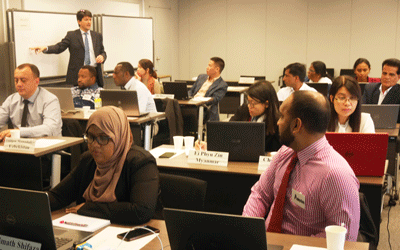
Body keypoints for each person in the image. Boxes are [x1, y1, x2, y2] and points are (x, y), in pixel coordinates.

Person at [243, 91, 360, 241]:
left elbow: (343, 237)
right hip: (267, 242)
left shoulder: (336, 174)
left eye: (283, 116)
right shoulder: (286, 152)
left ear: (296, 125)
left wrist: (289, 245)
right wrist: (248, 230)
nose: (278, 122)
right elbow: (260, 194)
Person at [48, 106, 159, 224]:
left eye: (103, 138)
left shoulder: (141, 163)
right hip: (89, 230)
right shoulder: (88, 161)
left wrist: (88, 208)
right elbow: (58, 196)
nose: (95, 145)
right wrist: (30, 204)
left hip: (128, 233)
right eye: (91, 137)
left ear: (119, 137)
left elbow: (141, 211)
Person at [30, 10, 106, 87]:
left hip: (94, 74)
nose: (89, 22)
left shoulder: (97, 36)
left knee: (97, 98)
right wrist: (46, 48)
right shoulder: (72, 35)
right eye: (86, 20)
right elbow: (59, 47)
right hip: (79, 75)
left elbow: (102, 51)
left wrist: (102, 56)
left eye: (90, 19)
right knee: (79, 98)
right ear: (79, 21)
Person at [0, 63, 62, 141]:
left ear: (36, 81)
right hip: (18, 147)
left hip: (46, 149)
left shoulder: (50, 100)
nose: (19, 84)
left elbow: (49, 129)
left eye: (23, 80)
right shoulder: (11, 99)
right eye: (16, 80)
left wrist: (20, 131)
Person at [229, 81, 281, 152]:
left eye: (253, 103)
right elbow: (229, 130)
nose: (249, 106)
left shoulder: (278, 122)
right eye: (248, 102)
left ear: (266, 104)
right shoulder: (243, 111)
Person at [188, 57, 228, 121]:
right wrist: (188, 97)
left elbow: (214, 99)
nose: (207, 67)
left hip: (204, 109)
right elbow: (191, 90)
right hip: (191, 105)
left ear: (217, 69)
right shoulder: (201, 77)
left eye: (209, 66)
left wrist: (200, 101)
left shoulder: (222, 85)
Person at [362, 58, 400, 123]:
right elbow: (362, 110)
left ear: (398, 77)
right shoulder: (369, 88)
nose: (386, 77)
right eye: (384, 73)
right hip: (368, 127)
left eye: (391, 74)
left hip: (391, 129)